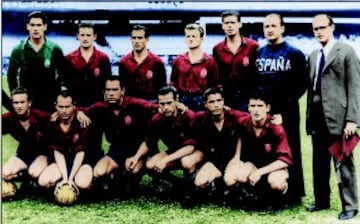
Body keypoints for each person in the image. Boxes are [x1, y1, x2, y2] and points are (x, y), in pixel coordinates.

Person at [306, 14, 360, 220]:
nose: (319, 31)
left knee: (343, 162)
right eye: (315, 28)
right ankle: (321, 200)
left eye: (322, 27)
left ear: (332, 27)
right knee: (318, 162)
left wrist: (352, 119)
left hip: (338, 118)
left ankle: (350, 206)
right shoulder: (313, 55)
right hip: (317, 118)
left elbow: (355, 87)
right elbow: (312, 90)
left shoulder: (346, 52)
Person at [254, 13, 308, 205]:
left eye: (273, 26)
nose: (269, 29)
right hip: (264, 112)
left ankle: (293, 193)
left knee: (290, 150)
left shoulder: (294, 53)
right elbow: (255, 84)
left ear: (282, 28)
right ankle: (267, 191)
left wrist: (283, 112)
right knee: (265, 150)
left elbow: (302, 84)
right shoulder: (259, 53)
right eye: (266, 26)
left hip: (287, 111)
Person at [84, 76, 158, 197]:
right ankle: (117, 176)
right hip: (117, 149)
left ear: (122, 90)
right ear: (104, 92)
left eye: (114, 90)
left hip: (138, 149)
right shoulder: (101, 108)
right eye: (108, 90)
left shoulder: (136, 104)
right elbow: (79, 110)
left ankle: (142, 171)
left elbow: (157, 108)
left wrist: (178, 106)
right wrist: (81, 113)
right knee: (98, 172)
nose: (111, 93)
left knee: (133, 171)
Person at [228, 91, 293, 211]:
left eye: (260, 106)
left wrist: (260, 172)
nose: (256, 110)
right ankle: (253, 198)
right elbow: (229, 112)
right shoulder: (244, 122)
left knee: (276, 182)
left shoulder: (276, 128)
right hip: (254, 164)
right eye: (252, 106)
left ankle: (280, 199)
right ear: (248, 107)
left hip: (273, 167)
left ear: (267, 108)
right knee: (238, 175)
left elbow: (284, 161)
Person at [127, 85, 196, 194]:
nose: (165, 107)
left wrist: (165, 160)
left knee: (186, 163)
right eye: (162, 104)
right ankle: (178, 183)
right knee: (150, 165)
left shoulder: (188, 116)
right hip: (174, 151)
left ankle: (192, 188)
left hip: (192, 153)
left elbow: (190, 147)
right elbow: (148, 141)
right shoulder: (157, 119)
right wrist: (136, 157)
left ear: (176, 100)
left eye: (169, 103)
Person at [183, 86, 245, 202]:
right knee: (200, 182)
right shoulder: (201, 118)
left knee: (231, 181)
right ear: (205, 104)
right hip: (215, 160)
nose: (216, 105)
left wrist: (275, 118)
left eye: (219, 101)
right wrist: (180, 106)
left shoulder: (234, 116)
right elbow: (187, 115)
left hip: (234, 159)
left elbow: (254, 116)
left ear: (223, 101)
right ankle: (216, 186)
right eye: (211, 102)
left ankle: (237, 189)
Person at [7, 11, 68, 112]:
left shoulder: (54, 49)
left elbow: (63, 75)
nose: (35, 28)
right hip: (27, 101)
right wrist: (16, 97)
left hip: (49, 100)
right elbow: (11, 76)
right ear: (27, 26)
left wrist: (59, 96)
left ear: (45, 27)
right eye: (32, 25)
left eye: (39, 25)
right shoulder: (18, 50)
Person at [38, 90, 93, 200]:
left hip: (81, 162)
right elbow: (58, 153)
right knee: (43, 182)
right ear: (56, 106)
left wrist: (71, 179)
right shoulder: (53, 123)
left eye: (67, 106)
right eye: (61, 107)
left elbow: (80, 153)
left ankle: (88, 183)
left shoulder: (82, 122)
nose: (64, 110)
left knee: (83, 183)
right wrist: (65, 179)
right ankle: (61, 181)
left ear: (73, 106)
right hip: (62, 161)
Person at [2, 87, 49, 195]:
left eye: (22, 102)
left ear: (29, 103)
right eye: (16, 103)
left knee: (34, 172)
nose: (19, 106)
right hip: (24, 154)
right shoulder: (8, 119)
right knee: (5, 173)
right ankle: (26, 179)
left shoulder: (42, 117)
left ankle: (33, 178)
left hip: (43, 154)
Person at [212, 10, 259, 111]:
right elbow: (217, 76)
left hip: (248, 96)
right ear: (222, 26)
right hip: (227, 97)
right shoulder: (217, 49)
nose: (229, 26)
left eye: (232, 23)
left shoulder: (253, 46)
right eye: (226, 23)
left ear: (239, 24)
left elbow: (257, 75)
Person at [170, 23, 218, 111]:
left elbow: (214, 85)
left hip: (201, 100)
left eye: (194, 36)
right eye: (188, 36)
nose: (190, 39)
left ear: (201, 39)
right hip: (182, 100)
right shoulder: (178, 60)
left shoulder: (209, 61)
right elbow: (173, 83)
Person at [65, 22, 111, 107]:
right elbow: (65, 83)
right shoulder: (68, 58)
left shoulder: (103, 58)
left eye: (88, 35)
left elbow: (108, 83)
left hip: (97, 103)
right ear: (78, 36)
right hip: (75, 104)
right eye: (82, 35)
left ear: (94, 37)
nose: (85, 38)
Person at [118, 24, 167, 102]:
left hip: (151, 102)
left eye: (140, 38)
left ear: (147, 39)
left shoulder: (157, 62)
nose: (137, 41)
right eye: (134, 38)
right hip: (130, 103)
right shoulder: (123, 62)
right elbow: (122, 86)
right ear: (130, 39)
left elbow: (162, 87)